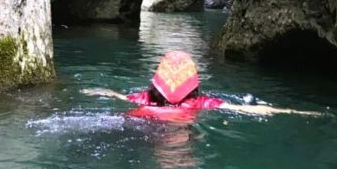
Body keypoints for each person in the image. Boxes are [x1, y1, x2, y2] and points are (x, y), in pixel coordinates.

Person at [83, 50, 319, 119]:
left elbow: (119, 97)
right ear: (192, 83)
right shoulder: (201, 103)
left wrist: (99, 91)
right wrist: (292, 111)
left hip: (139, 121)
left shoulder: (145, 98)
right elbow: (242, 109)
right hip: (174, 131)